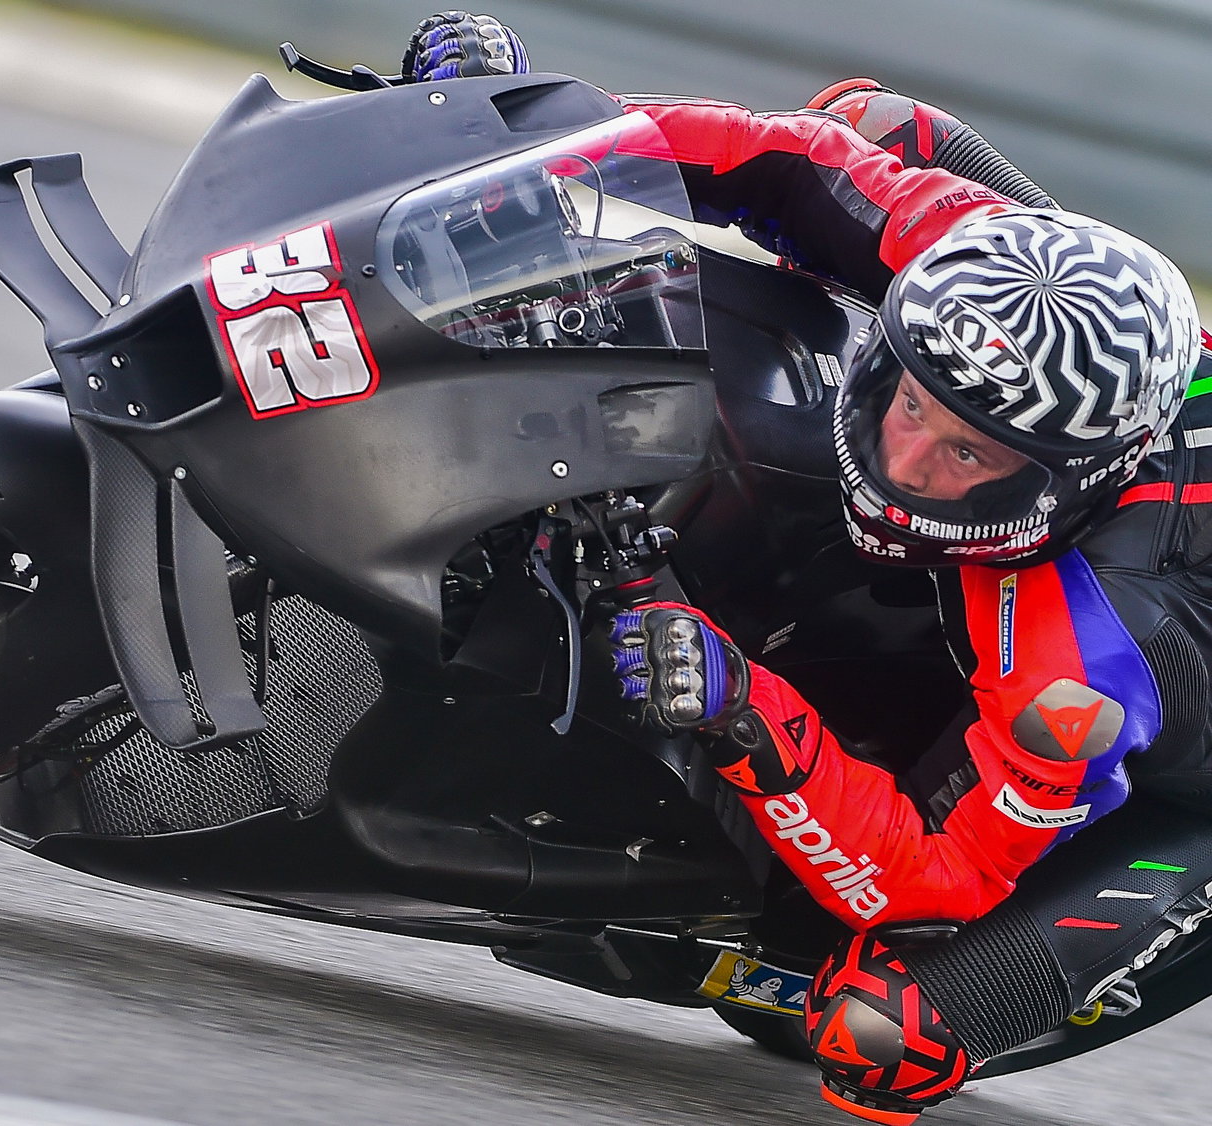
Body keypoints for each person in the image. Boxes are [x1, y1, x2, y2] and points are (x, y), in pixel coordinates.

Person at [407, 13, 1212, 1125]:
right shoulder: (981, 269)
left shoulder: (1078, 663)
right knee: (877, 130)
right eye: (912, 402)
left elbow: (922, 873)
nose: (905, 459)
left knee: (877, 1034)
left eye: (967, 454)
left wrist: (744, 711)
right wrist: (517, 146)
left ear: (1066, 481)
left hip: (1174, 777)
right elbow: (784, 159)